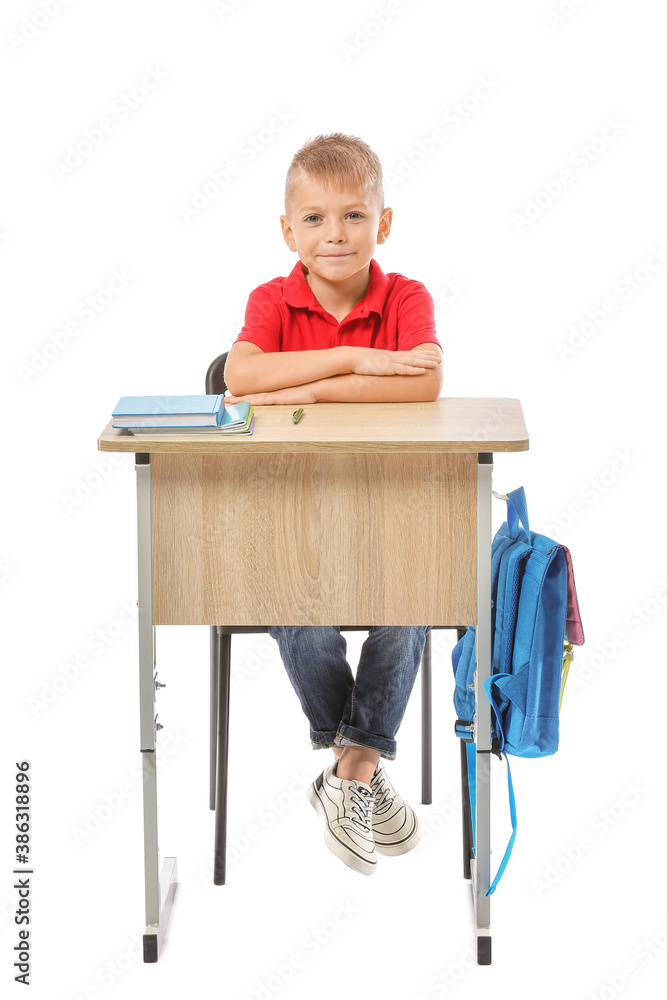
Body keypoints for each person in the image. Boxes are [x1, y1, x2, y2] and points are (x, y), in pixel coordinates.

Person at [223, 133, 443, 876]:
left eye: (353, 216)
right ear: (289, 232)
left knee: (411, 605)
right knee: (303, 618)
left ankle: (346, 772)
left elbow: (423, 384)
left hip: (387, 519)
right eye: (313, 220)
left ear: (382, 223)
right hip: (289, 524)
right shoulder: (270, 298)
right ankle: (365, 767)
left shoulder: (405, 296)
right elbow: (243, 377)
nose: (335, 235)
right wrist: (352, 359)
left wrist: (311, 388)